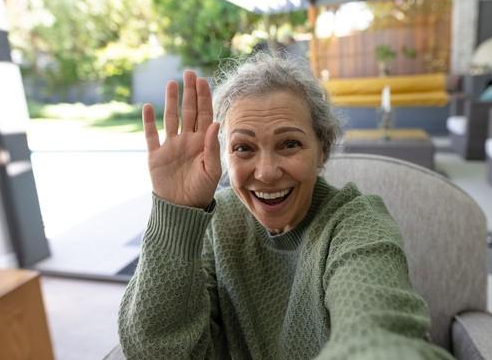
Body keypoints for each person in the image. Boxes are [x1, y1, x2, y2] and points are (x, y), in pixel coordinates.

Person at [118, 54, 453, 359]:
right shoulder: (216, 222)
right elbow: (154, 350)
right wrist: (177, 215)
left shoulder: (355, 224)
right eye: (243, 148)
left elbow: (377, 334)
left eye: (289, 144)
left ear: (322, 150)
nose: (266, 172)